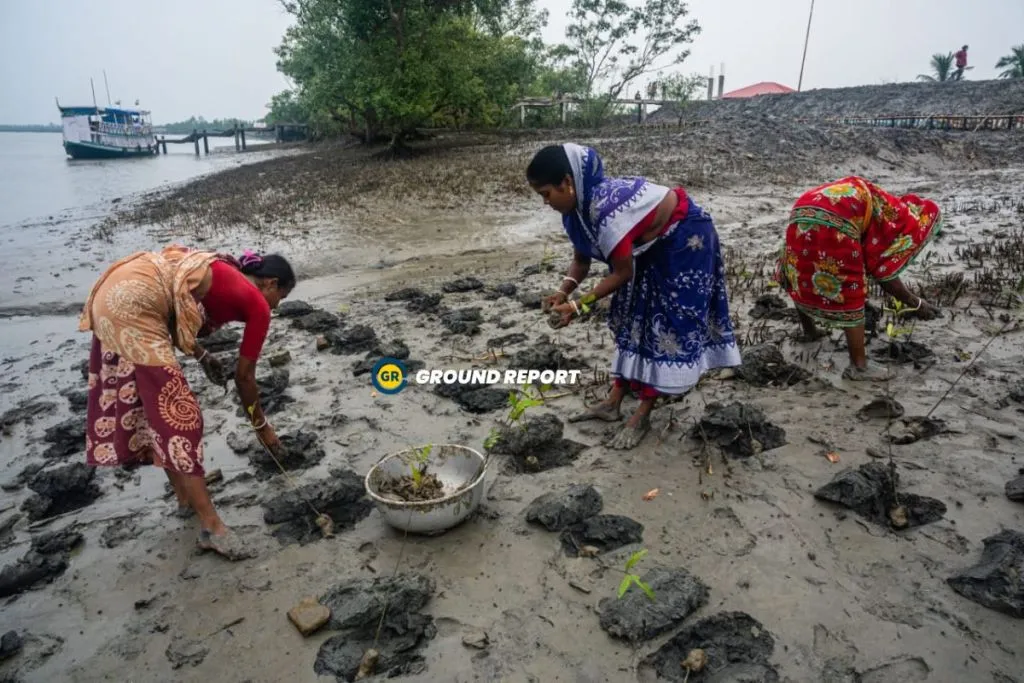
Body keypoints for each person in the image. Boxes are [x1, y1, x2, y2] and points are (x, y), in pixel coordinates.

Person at [77, 246, 296, 559]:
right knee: (182, 418)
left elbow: (174, 303)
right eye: (281, 299)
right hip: (134, 303)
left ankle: (184, 499)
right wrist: (262, 427)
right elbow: (244, 378)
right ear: (270, 284)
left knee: (153, 410)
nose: (274, 308)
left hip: (114, 291)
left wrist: (202, 354)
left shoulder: (223, 268)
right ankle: (212, 528)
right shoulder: (257, 304)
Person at [526, 143, 741, 450]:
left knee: (663, 323)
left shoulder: (605, 210)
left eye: (546, 193)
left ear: (567, 183)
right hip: (648, 246)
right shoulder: (576, 212)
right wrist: (562, 291)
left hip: (685, 238)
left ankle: (641, 414)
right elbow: (582, 261)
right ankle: (614, 402)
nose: (545, 202)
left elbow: (622, 273)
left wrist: (576, 307)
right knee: (632, 315)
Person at [776, 176, 943, 381]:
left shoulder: (880, 200)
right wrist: (915, 302)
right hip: (836, 221)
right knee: (850, 289)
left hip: (801, 211)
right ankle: (859, 366)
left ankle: (810, 331)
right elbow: (882, 271)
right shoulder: (890, 218)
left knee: (798, 273)